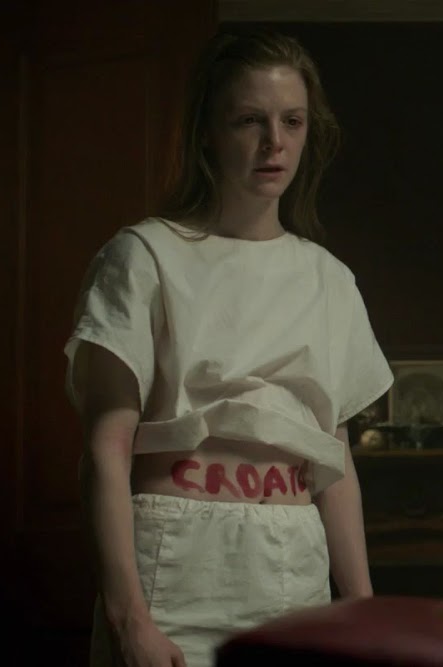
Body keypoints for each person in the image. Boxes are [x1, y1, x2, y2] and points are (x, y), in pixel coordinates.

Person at [66, 31, 392, 667]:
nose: (274, 142)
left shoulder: (328, 280)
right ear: (208, 134)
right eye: (249, 120)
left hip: (294, 562)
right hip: (176, 562)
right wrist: (129, 618)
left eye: (292, 121)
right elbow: (105, 450)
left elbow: (336, 464)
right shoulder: (144, 256)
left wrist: (363, 612)